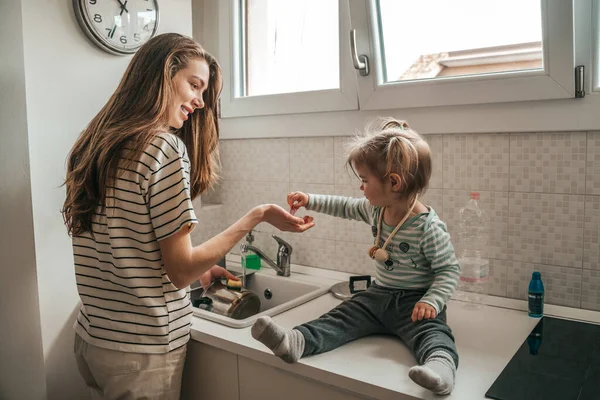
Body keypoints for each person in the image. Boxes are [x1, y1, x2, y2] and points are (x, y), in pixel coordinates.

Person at [61, 33, 314, 400]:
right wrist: (255, 216)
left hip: (93, 339)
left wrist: (203, 268)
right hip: (142, 349)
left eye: (204, 91)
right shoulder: (163, 147)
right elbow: (180, 270)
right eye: (194, 85)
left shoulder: (94, 144)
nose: (198, 101)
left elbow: (122, 244)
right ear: (161, 77)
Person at [251, 118, 460, 395]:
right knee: (342, 316)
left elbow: (449, 270)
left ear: (394, 183)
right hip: (379, 294)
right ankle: (296, 341)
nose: (361, 188)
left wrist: (431, 301)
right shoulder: (376, 209)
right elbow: (345, 206)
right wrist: (310, 199)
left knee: (433, 334)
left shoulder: (428, 227)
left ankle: (440, 369)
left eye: (364, 180)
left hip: (415, 302)